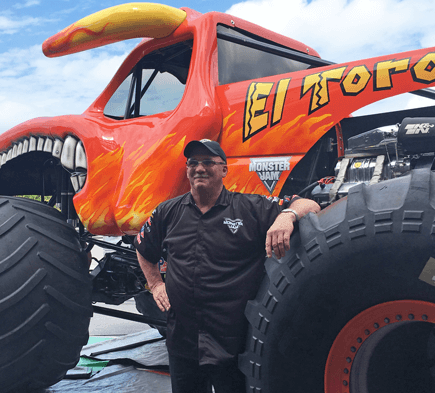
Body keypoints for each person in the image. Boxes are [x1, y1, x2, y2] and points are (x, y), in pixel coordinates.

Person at [135, 139, 320, 393]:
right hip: (183, 345)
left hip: (232, 347)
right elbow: (143, 247)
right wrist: (156, 284)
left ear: (224, 170)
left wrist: (286, 216)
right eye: (193, 163)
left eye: (208, 162)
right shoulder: (168, 212)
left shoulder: (250, 208)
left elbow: (309, 204)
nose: (199, 168)